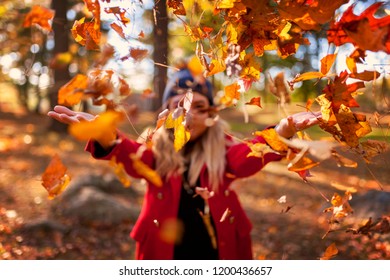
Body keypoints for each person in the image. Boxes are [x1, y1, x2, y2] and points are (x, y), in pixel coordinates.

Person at [48, 67, 320, 260]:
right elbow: (135, 157)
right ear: (166, 113)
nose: (189, 113)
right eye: (180, 105)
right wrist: (107, 136)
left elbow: (245, 158)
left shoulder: (222, 146)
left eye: (199, 106)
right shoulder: (157, 146)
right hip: (165, 249)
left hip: (219, 248)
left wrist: (282, 132)